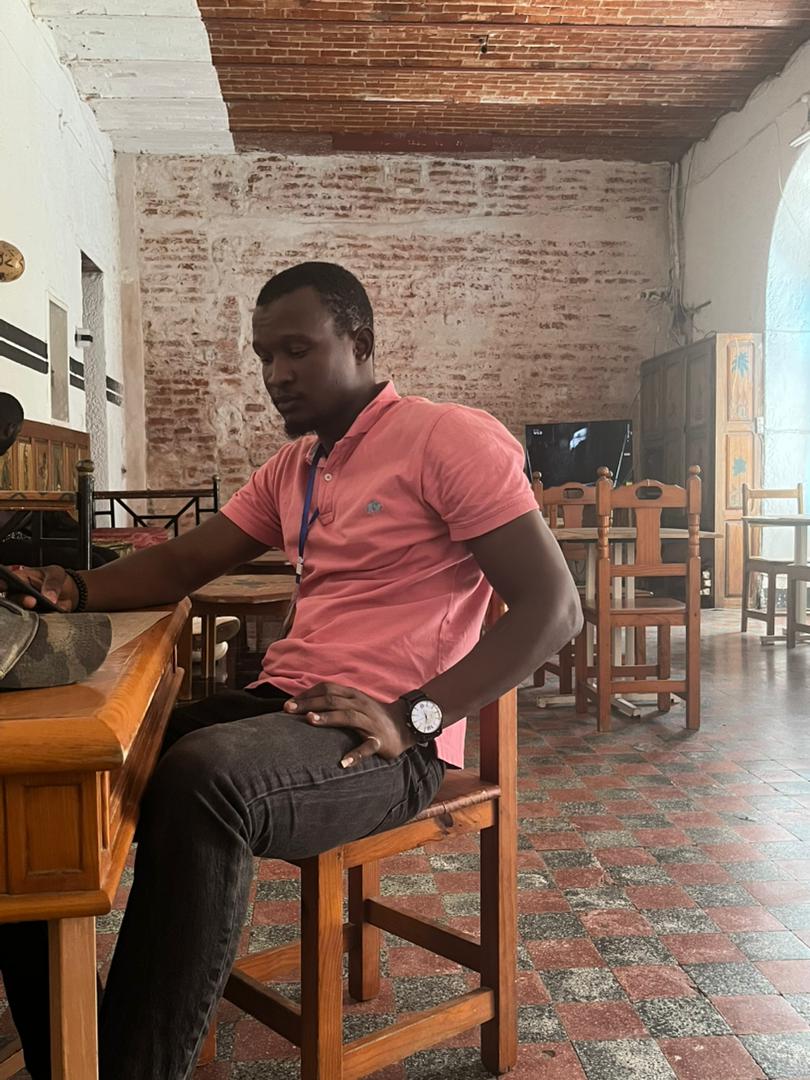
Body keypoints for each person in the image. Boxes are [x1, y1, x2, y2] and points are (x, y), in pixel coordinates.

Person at [0, 262, 581, 1080]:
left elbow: (555, 609)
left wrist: (414, 716)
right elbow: (182, 565)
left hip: (386, 740)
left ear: (361, 342)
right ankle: (70, 1057)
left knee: (205, 779)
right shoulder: (297, 468)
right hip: (288, 706)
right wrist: (77, 587)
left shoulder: (447, 437)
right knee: (40, 781)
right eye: (265, 356)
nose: (276, 374)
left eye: (298, 351)